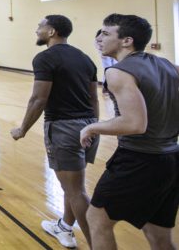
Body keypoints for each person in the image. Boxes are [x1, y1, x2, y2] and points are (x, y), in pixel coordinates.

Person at [81, 14, 179, 250]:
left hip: (138, 160)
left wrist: (92, 126)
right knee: (158, 234)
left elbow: (134, 124)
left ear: (126, 41)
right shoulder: (168, 66)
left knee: (97, 219)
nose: (99, 38)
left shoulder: (118, 72)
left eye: (105, 33)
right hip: (171, 160)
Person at [10, 15, 99, 249]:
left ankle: (97, 245)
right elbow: (93, 98)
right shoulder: (85, 58)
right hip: (88, 126)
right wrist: (93, 127)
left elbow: (39, 99)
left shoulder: (45, 58)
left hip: (64, 128)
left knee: (76, 190)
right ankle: (64, 228)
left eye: (40, 26)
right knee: (72, 186)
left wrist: (22, 129)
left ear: (51, 32)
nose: (36, 29)